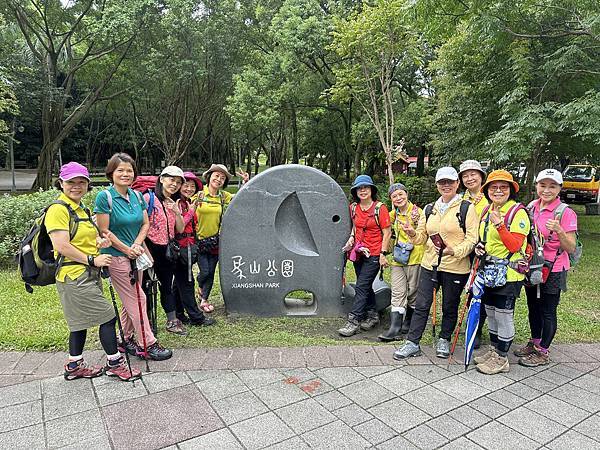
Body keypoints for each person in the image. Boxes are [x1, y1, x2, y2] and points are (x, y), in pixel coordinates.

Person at [46, 162, 140, 381]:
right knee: (108, 317)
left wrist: (99, 242)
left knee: (79, 323)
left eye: (81, 182)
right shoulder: (58, 209)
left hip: (86, 274)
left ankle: (74, 365)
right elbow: (61, 245)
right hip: (74, 276)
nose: (76, 186)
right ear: (61, 183)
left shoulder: (81, 209)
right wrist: (92, 259)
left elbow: (81, 240)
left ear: (87, 184)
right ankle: (115, 364)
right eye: (71, 182)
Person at [394, 167, 478, 359]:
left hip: (455, 266)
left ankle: (444, 339)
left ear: (457, 183)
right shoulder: (429, 208)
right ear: (437, 185)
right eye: (442, 182)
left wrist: (455, 251)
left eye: (450, 182)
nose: (446, 185)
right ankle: (412, 342)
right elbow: (422, 237)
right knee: (422, 304)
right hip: (430, 264)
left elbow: (472, 239)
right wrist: (412, 233)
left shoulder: (467, 208)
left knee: (449, 305)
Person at [95, 153, 172, 361]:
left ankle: (125, 338)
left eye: (129, 170)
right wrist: (126, 249)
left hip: (135, 256)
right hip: (115, 258)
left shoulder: (137, 196)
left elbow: (144, 223)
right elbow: (104, 231)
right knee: (139, 298)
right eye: (120, 170)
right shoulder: (105, 197)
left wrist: (136, 245)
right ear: (111, 173)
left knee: (130, 299)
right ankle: (146, 344)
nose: (125, 174)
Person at [515, 169, 578, 367]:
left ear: (560, 188)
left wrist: (559, 230)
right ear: (536, 186)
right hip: (534, 265)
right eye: (543, 185)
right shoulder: (532, 207)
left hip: (555, 268)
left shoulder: (566, 212)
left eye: (552, 186)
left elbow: (571, 247)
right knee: (533, 306)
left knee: (548, 310)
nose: (547, 190)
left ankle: (543, 351)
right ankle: (535, 342)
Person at [471, 170, 530, 374]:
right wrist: (480, 247)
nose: (498, 190)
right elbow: (486, 239)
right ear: (487, 190)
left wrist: (499, 224)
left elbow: (514, 245)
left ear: (511, 190)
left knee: (504, 316)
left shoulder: (517, 212)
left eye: (503, 187)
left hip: (509, 274)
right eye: (493, 187)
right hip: (489, 272)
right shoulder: (487, 209)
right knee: (493, 314)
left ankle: (502, 358)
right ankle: (495, 351)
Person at [339, 175, 391, 336]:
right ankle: (373, 315)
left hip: (374, 253)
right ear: (355, 191)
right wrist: (351, 239)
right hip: (359, 252)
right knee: (365, 285)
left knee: (361, 286)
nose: (363, 191)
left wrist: (383, 253)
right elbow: (355, 226)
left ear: (371, 190)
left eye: (366, 188)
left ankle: (353, 320)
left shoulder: (379, 208)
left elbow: (387, 232)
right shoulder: (353, 207)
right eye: (359, 188)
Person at [194, 164, 249, 311]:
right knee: (204, 271)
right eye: (216, 176)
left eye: (222, 178)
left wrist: (245, 183)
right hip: (198, 241)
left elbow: (240, 198)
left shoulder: (223, 196)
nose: (219, 179)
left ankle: (204, 300)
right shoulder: (199, 194)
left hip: (215, 241)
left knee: (211, 272)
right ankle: (199, 285)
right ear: (209, 176)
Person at [378, 183, 425, 341]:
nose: (398, 198)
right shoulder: (393, 215)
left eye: (400, 194)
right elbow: (381, 224)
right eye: (394, 196)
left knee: (413, 292)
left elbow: (423, 234)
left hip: (415, 257)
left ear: (406, 194)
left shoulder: (418, 213)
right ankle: (394, 328)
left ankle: (409, 323)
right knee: (398, 291)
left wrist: (413, 228)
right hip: (398, 259)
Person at [145, 166, 186, 335]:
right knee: (145, 288)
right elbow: (141, 225)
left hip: (166, 250)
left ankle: (172, 320)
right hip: (149, 247)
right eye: (171, 180)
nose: (174, 184)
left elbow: (181, 229)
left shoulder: (174, 202)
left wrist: (177, 212)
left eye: (178, 182)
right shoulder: (149, 199)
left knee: (166, 286)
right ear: (161, 179)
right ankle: (146, 324)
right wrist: (145, 252)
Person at [173, 171, 216, 326]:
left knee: (178, 284)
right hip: (181, 248)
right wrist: (192, 210)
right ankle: (196, 317)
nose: (189, 189)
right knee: (186, 282)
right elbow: (180, 226)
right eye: (186, 185)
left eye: (192, 186)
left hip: (186, 248)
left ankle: (179, 314)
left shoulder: (185, 202)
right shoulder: (177, 203)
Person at [458, 159, 489, 349]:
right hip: (464, 250)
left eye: (473, 174)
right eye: (465, 176)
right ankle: (469, 323)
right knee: (467, 289)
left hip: (483, 251)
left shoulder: (490, 196)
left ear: (481, 176)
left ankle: (477, 329)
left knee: (479, 291)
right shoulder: (461, 199)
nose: (470, 179)